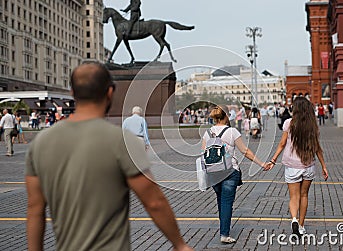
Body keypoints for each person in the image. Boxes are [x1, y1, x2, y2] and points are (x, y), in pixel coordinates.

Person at [25, 62, 193, 251]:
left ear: (72, 92)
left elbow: (35, 209)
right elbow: (154, 202)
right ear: (110, 92)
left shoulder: (41, 142)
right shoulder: (121, 142)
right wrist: (179, 244)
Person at [201, 105, 269, 244]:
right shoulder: (232, 131)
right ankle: (224, 234)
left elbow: (203, 154)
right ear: (226, 116)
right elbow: (245, 151)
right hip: (230, 171)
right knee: (227, 202)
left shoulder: (207, 133)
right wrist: (261, 164)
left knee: (220, 201)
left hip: (214, 172)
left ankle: (223, 229)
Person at [265, 97, 328, 236]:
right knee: (304, 195)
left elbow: (282, 144)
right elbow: (317, 148)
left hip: (292, 166)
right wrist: (324, 166)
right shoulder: (313, 125)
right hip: (308, 165)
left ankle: (293, 219)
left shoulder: (289, 123)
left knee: (294, 196)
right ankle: (301, 225)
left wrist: (273, 160)